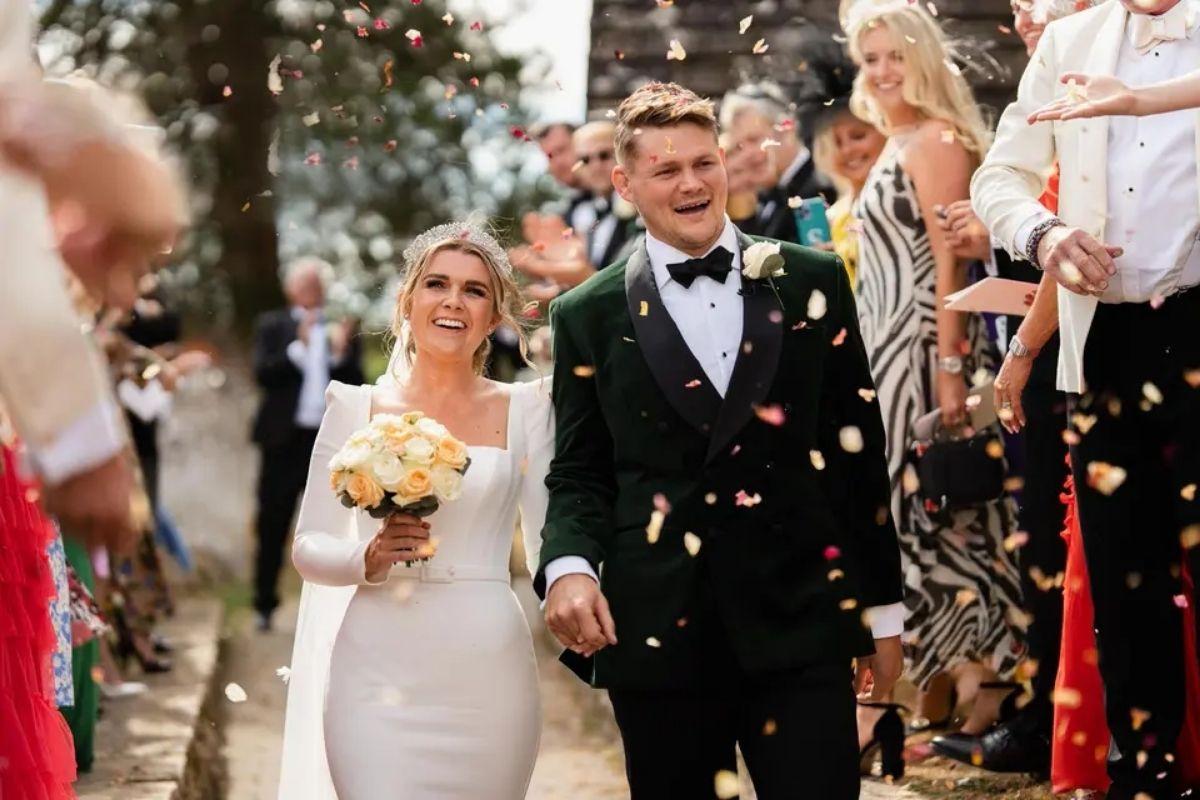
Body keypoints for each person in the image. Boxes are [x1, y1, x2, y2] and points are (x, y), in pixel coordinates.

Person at [536, 80, 904, 799]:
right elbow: (580, 471)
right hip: (657, 625)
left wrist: (882, 610)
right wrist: (570, 566)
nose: (692, 183)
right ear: (625, 185)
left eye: (704, 162)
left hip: (800, 612)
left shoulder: (813, 277)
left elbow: (856, 456)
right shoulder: (585, 314)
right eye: (666, 170)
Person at [972, 0, 1200, 795]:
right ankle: (1147, 776)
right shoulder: (1070, 40)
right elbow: (999, 176)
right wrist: (1042, 235)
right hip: (1103, 342)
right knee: (1125, 579)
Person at [276, 223, 553, 799]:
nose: (453, 301)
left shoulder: (528, 409)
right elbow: (308, 545)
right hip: (374, 669)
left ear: (494, 317)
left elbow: (550, 543)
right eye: (437, 284)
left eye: (474, 290)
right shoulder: (354, 407)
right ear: (407, 301)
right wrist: (367, 556)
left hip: (488, 669)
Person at [845, 0, 1026, 745]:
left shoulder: (937, 139)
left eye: (896, 55)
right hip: (884, 347)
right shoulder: (896, 139)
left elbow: (953, 256)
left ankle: (992, 680)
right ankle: (964, 681)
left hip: (925, 346)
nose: (883, 71)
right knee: (917, 513)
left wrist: (950, 365)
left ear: (922, 58)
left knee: (945, 508)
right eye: (871, 59)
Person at [929, 0, 1100, 776]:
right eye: (1021, 8)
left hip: (1080, 352)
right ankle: (1051, 711)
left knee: (1063, 543)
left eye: (1044, 4)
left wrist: (1023, 342)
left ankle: (1063, 720)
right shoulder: (1038, 96)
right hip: (1041, 344)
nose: (1027, 17)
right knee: (1038, 542)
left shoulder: (1097, 96)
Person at [250, 259, 364, 631]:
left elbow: (357, 385)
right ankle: (264, 605)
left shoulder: (341, 327)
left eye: (317, 284)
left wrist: (340, 354)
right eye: (305, 284)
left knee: (334, 524)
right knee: (272, 523)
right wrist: (297, 347)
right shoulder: (273, 325)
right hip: (282, 442)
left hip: (329, 443)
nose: (312, 290)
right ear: (290, 289)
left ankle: (334, 605)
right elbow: (263, 374)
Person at [721, 81, 833, 243]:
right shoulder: (769, 198)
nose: (746, 155)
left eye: (754, 140)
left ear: (786, 128)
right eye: (740, 147)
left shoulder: (824, 183)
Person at [811, 102, 887, 288]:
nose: (847, 150)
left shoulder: (897, 204)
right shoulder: (831, 218)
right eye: (836, 143)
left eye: (858, 136)